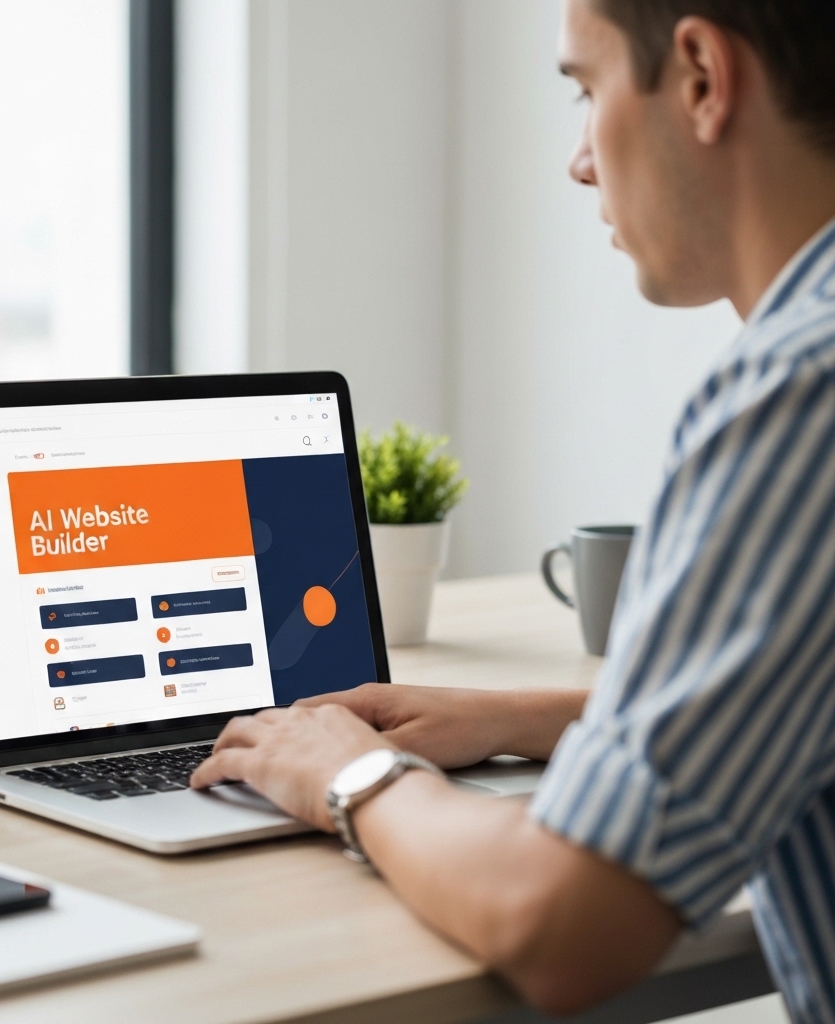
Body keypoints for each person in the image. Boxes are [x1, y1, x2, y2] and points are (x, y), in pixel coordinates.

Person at [192, 1, 835, 1018]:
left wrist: (352, 778)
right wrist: (522, 718)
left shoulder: (798, 390)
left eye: (587, 91)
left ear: (704, 77)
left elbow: (563, 922)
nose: (579, 160)